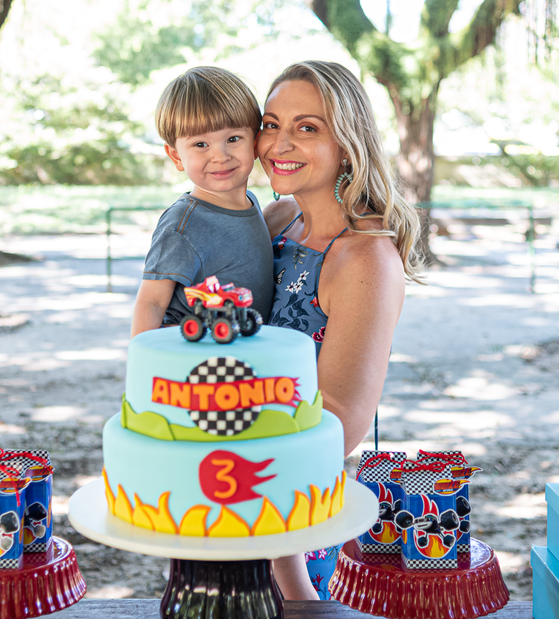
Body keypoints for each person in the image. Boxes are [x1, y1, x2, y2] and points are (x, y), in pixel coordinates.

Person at [258, 60, 424, 599]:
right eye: (270, 123)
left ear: (348, 144)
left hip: (289, 516)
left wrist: (285, 570)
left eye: (307, 128)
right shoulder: (278, 220)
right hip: (218, 499)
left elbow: (340, 425)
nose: (279, 144)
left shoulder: (366, 259)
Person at [131, 66, 274, 336]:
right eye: (200, 145)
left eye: (233, 139)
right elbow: (151, 302)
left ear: (255, 141)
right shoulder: (182, 225)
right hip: (194, 360)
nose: (220, 156)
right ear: (175, 157)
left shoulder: (251, 203)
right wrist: (144, 367)